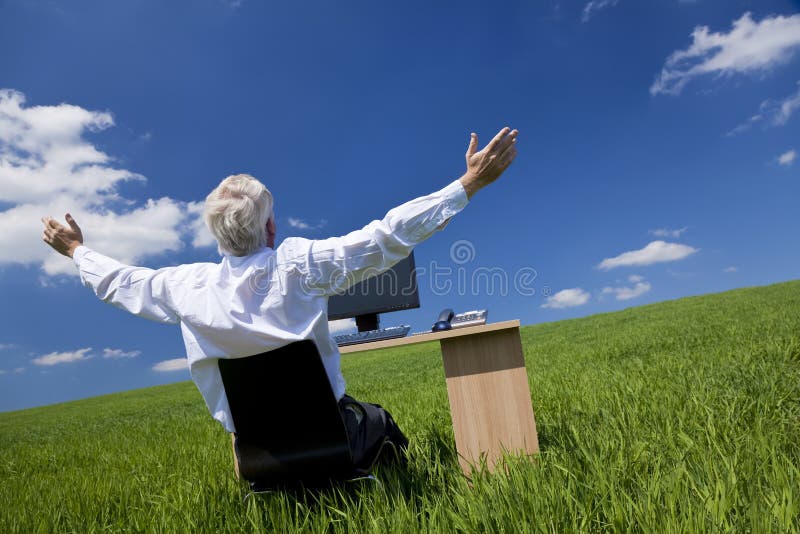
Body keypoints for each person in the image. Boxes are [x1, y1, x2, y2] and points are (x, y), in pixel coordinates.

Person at [40, 126, 518, 469]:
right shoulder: (297, 263)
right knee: (380, 420)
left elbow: (118, 282)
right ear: (270, 227)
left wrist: (76, 249)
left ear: (218, 237)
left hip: (254, 455)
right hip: (335, 440)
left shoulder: (183, 288)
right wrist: (467, 185)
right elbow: (384, 238)